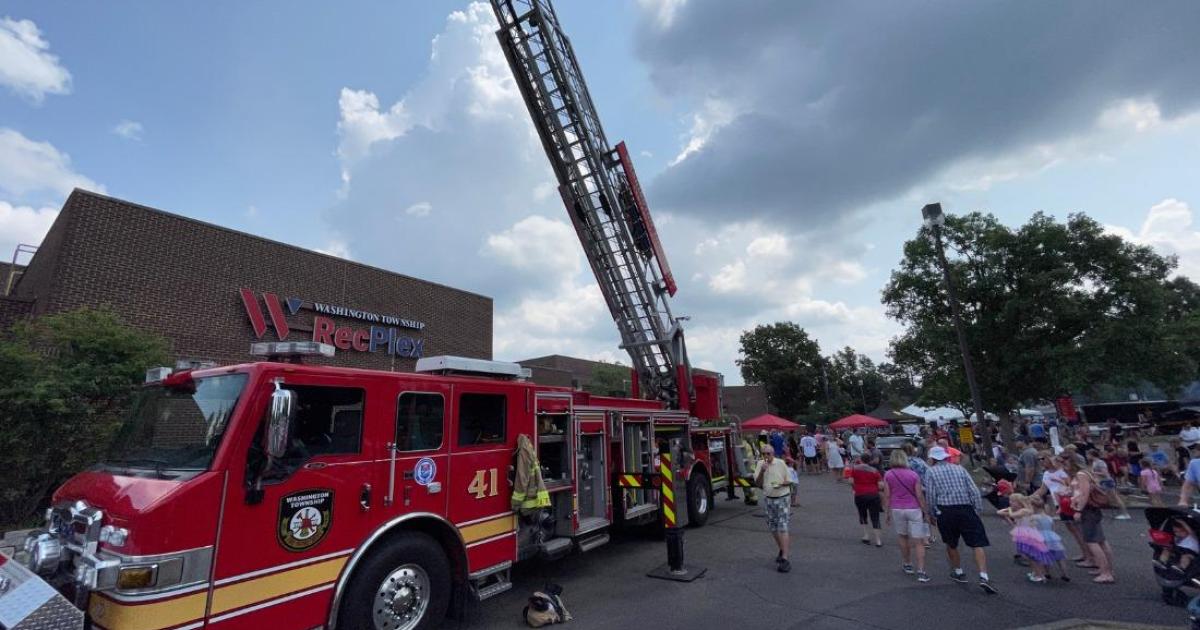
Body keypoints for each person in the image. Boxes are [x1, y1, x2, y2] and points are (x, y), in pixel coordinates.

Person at [923, 446, 997, 594]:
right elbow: (973, 490)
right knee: (977, 543)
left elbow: (931, 495)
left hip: (946, 510)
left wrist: (932, 513)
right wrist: (976, 509)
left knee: (951, 543)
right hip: (965, 508)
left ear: (932, 459)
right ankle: (983, 575)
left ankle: (958, 570)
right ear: (946, 457)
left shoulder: (931, 472)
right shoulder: (959, 469)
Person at [882, 450, 930, 582]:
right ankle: (921, 570)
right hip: (913, 508)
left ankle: (907, 563)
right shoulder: (913, 475)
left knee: (903, 537)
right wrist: (925, 511)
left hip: (897, 508)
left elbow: (887, 494)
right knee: (918, 540)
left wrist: (887, 513)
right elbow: (919, 495)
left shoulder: (888, 474)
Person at [1000, 493, 1067, 583]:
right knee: (1057, 557)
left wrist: (1009, 511)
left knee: (1038, 556)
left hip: (1040, 538)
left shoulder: (1032, 516)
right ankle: (1062, 574)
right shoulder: (1048, 518)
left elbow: (1031, 528)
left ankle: (1041, 574)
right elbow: (1053, 528)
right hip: (1052, 539)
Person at [1071, 468, 1116, 583]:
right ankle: (1107, 569)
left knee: (1092, 541)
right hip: (1093, 510)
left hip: (1088, 510)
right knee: (1101, 540)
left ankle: (1106, 573)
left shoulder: (1081, 474)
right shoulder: (1087, 472)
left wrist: (1079, 510)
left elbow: (1085, 493)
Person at [754, 447, 793, 572]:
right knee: (773, 527)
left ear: (773, 454)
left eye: (768, 453)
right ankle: (782, 548)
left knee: (782, 526)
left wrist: (781, 484)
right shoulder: (760, 464)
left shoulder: (780, 463)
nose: (766, 456)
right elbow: (758, 484)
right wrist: (762, 471)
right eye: (764, 453)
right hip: (768, 499)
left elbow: (789, 481)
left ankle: (785, 559)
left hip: (782, 497)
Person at [849, 456, 885, 547]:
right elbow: (881, 485)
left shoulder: (855, 469)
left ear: (861, 460)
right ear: (870, 460)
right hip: (873, 495)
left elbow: (850, 481)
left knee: (862, 514)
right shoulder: (874, 471)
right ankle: (878, 540)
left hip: (860, 494)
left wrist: (855, 487)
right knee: (875, 516)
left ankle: (866, 536)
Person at [1087, 448, 1131, 520]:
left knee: (1115, 497)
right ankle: (1102, 512)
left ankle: (1125, 514)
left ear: (1092, 455)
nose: (1087, 456)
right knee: (1103, 496)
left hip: (1107, 481)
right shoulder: (1095, 462)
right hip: (1102, 482)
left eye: (1088, 455)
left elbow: (1105, 473)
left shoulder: (1100, 462)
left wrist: (1093, 473)